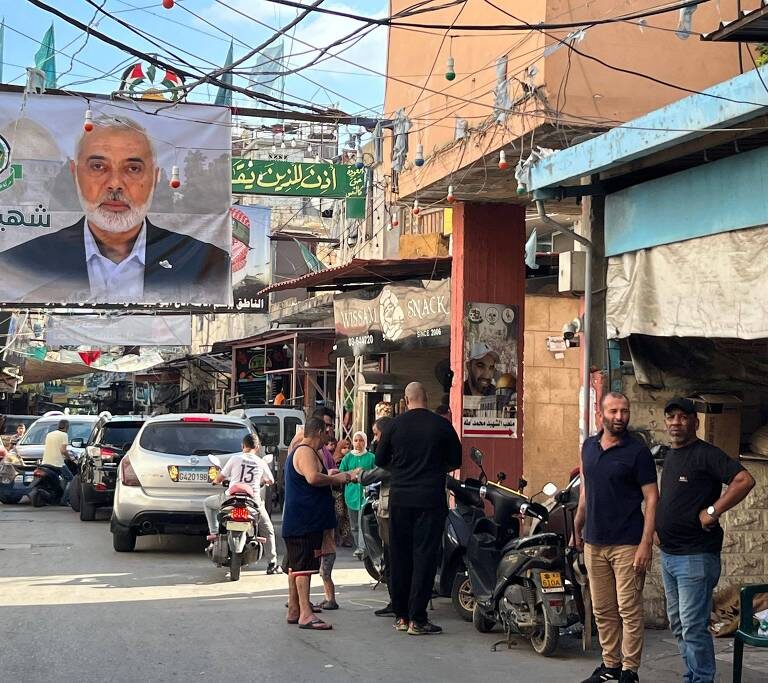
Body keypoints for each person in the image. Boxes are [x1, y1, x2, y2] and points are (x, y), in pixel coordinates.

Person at [0, 115, 229, 304]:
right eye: (98, 167)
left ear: (155, 178)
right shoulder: (21, 263)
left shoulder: (208, 264)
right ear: (75, 174)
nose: (115, 183)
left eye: (133, 168)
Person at [656, 398, 755, 683]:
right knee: (678, 624)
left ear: (695, 422)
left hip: (695, 557)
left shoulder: (705, 454)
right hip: (670, 556)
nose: (676, 422)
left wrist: (713, 511)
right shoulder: (672, 455)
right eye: (671, 417)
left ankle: (701, 679)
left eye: (683, 417)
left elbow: (744, 480)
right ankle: (693, 676)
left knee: (693, 626)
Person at [574, 393, 659, 683]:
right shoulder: (588, 448)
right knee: (603, 609)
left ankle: (629, 670)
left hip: (628, 543)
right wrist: (578, 523)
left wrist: (646, 543)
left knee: (629, 609)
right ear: (601, 414)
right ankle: (610, 665)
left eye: (624, 411)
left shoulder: (638, 452)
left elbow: (651, 497)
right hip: (594, 542)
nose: (619, 416)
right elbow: (587, 489)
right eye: (613, 411)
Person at [375, 382, 462, 635]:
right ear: (427, 396)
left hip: (400, 499)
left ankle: (401, 616)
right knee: (424, 556)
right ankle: (418, 619)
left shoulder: (394, 426)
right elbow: (456, 460)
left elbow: (380, 460)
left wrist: (402, 471)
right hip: (430, 499)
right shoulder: (442, 425)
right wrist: (433, 470)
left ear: (406, 399)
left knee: (400, 556)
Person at [283, 417, 360, 630]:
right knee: (303, 567)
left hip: (307, 520)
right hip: (303, 520)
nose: (329, 436)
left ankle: (295, 609)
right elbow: (312, 478)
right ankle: (305, 614)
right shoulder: (305, 451)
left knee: (297, 565)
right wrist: (339, 478)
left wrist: (331, 474)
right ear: (317, 431)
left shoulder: (308, 452)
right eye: (326, 431)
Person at [204, 434, 282, 575]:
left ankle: (214, 533)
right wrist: (262, 482)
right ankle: (272, 564)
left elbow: (221, 477)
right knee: (268, 530)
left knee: (208, 504)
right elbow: (270, 480)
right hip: (253, 501)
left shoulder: (235, 458)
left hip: (231, 498)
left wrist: (215, 481)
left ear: (242, 446)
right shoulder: (260, 462)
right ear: (257, 447)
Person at [362, 415, 395, 617]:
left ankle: (398, 602)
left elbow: (379, 472)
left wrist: (357, 475)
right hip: (385, 506)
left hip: (391, 510)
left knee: (392, 557)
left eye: (376, 434)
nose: (374, 439)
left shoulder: (393, 454)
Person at [339, 431, 376, 559]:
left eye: (361, 440)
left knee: (362, 523)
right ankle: (358, 545)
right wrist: (352, 473)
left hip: (366, 495)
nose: (358, 443)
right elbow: (341, 472)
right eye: (356, 440)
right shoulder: (348, 457)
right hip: (351, 494)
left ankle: (362, 548)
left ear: (365, 442)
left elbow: (376, 472)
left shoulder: (371, 457)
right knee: (354, 524)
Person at [41, 419, 74, 505]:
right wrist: (69, 458)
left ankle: (56, 497)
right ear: (67, 427)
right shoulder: (64, 435)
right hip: (58, 463)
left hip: (46, 462)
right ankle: (64, 500)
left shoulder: (49, 434)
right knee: (71, 479)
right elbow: (63, 450)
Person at [332, 438, 353, 548]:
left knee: (347, 516)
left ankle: (345, 538)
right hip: (338, 492)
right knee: (339, 515)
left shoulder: (350, 459)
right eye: (344, 447)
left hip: (348, 491)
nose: (347, 450)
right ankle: (336, 537)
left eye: (349, 447)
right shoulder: (336, 460)